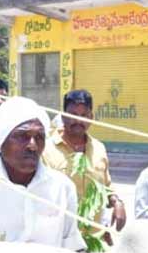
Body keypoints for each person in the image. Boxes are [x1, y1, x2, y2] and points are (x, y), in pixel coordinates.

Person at [0, 97, 83, 249]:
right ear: (1, 140)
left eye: (39, 137)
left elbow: (72, 248)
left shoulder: (62, 188)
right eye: (22, 136)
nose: (32, 146)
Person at [42, 89, 127, 230]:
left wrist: (117, 202)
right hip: (59, 238)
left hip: (93, 237)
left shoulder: (99, 149)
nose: (78, 120)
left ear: (91, 117)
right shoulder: (46, 149)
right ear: (63, 116)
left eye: (84, 115)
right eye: (73, 115)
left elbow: (105, 187)